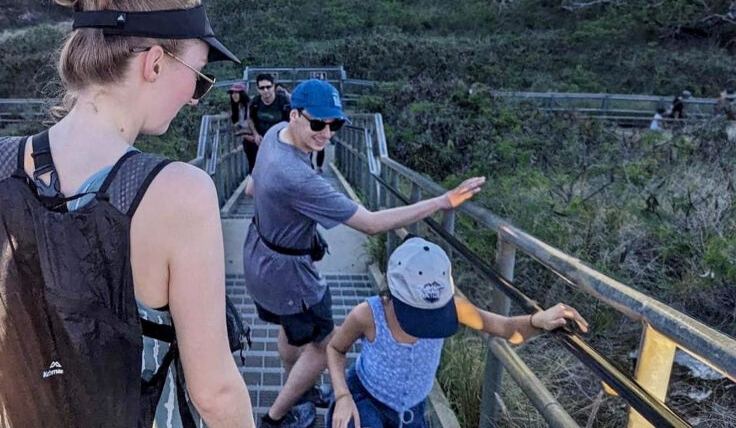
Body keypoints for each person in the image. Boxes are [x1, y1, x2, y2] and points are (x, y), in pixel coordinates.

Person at [0, 0, 254, 428]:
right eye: (199, 76)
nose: (196, 96)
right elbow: (213, 391)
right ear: (154, 63)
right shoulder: (179, 192)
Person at [243, 79, 485, 428]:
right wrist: (441, 201)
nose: (326, 134)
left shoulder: (274, 134)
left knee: (292, 326)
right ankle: (275, 416)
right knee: (323, 341)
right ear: (294, 115)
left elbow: (251, 186)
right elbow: (370, 223)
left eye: (335, 125)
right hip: (290, 276)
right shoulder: (296, 176)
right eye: (317, 124)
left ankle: (300, 386)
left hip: (259, 257)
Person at [326, 238, 588, 428]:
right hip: (365, 398)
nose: (426, 324)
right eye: (417, 314)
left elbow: (505, 328)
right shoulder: (368, 314)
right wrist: (342, 396)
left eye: (433, 314)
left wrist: (537, 320)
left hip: (411, 412)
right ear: (392, 293)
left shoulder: (454, 308)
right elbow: (335, 349)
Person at [230, 82, 258, 172]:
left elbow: (253, 125)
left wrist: (241, 131)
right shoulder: (238, 107)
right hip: (247, 140)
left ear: (242, 94)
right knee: (252, 165)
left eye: (236, 93)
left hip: (256, 141)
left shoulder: (250, 106)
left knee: (256, 166)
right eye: (232, 93)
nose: (234, 95)